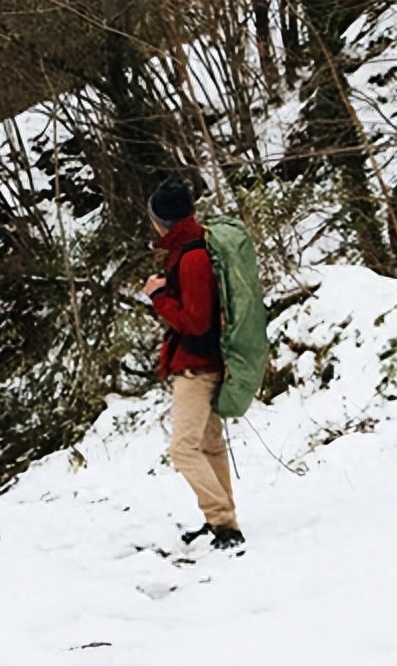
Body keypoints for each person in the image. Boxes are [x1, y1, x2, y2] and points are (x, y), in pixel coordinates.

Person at [142, 178, 245, 550]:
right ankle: (223, 520)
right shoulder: (193, 247)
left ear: (163, 221)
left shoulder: (192, 256)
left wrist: (158, 297)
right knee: (210, 443)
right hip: (209, 358)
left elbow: (195, 320)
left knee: (183, 448)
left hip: (196, 365)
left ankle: (222, 522)